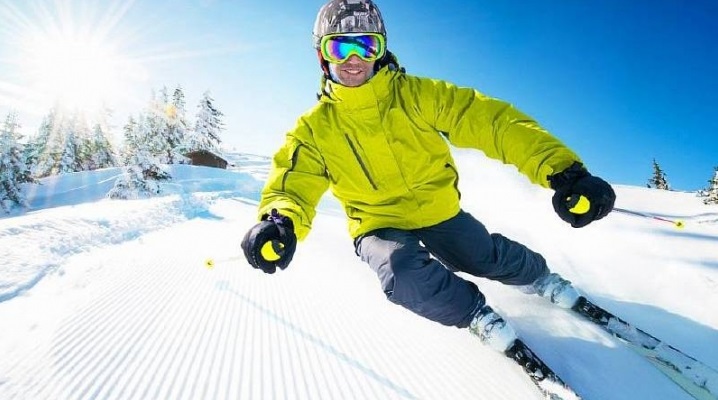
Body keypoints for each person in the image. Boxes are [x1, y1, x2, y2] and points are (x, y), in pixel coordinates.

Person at [241, 0, 616, 353]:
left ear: (381, 51)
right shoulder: (313, 130)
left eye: (366, 46)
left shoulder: (418, 96)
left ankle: (539, 278)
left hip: (438, 211)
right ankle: (474, 315)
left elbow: (493, 123)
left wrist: (563, 171)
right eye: (341, 49)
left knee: (482, 255)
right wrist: (280, 222)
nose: (354, 60)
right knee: (400, 270)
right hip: (377, 224)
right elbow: (292, 182)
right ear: (323, 56)